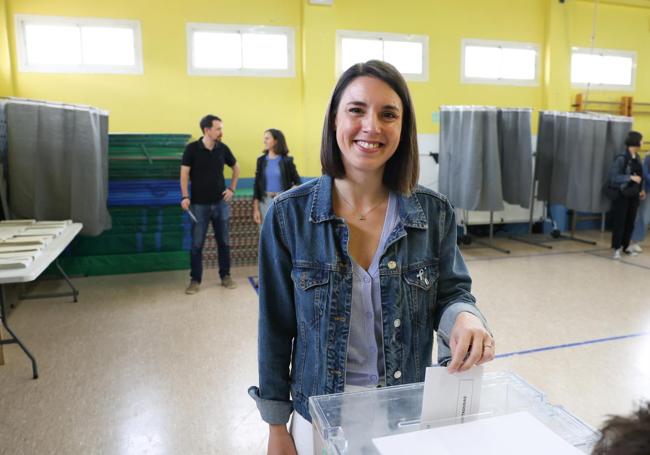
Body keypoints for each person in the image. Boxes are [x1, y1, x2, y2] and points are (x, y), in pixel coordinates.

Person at [248, 60, 494, 455]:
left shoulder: (433, 213)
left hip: (405, 414)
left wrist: (464, 317)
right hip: (319, 417)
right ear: (334, 120)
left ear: (403, 127)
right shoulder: (289, 216)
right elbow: (275, 328)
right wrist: (277, 427)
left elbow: (452, 294)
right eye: (357, 110)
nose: (371, 126)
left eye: (388, 114)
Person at [180, 114, 240, 293]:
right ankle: (195, 280)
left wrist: (232, 189)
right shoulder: (191, 149)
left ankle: (226, 276)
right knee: (197, 244)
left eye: (221, 128)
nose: (221, 132)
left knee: (224, 242)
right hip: (199, 205)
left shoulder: (223, 148)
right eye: (218, 128)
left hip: (220, 204)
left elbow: (235, 167)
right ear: (207, 130)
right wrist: (184, 196)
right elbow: (184, 175)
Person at [607, 131, 645, 260]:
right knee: (620, 222)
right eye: (641, 140)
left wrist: (641, 189)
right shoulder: (621, 158)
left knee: (630, 221)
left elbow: (640, 176)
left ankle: (626, 246)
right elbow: (613, 177)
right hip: (622, 195)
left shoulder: (637, 157)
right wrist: (630, 177)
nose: (643, 142)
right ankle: (616, 248)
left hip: (634, 195)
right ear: (635, 141)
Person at [252, 129, 302, 225]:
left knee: (282, 234)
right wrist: (256, 209)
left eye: (267, 138)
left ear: (276, 141)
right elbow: (256, 185)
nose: (264, 141)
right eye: (264, 138)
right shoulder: (261, 161)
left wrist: (285, 195)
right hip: (264, 202)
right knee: (265, 234)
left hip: (283, 202)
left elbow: (297, 183)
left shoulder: (287, 161)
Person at [629, 151, 650, 252]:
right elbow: (645, 173)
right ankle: (634, 241)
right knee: (644, 217)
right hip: (648, 192)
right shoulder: (648, 157)